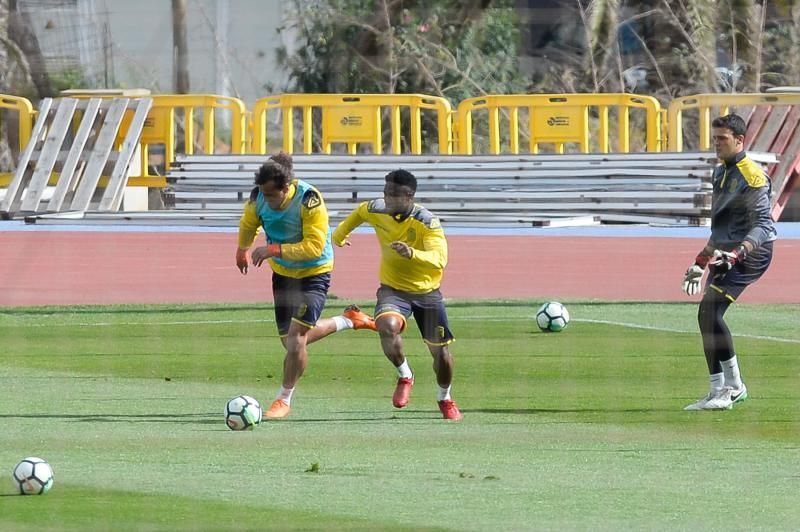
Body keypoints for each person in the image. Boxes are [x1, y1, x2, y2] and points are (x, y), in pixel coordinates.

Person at [236, 152, 377, 419]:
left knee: (296, 338)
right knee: (288, 342)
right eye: (263, 193)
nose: (266, 199)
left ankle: (283, 399)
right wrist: (242, 248)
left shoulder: (309, 200)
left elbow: (313, 247)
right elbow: (249, 223)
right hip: (283, 274)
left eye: (271, 194)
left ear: (286, 188)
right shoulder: (258, 198)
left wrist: (273, 249)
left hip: (315, 272)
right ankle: (348, 320)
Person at [332, 169, 463, 420]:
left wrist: (412, 253)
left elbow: (440, 259)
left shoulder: (427, 222)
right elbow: (360, 211)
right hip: (393, 289)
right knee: (386, 327)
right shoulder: (377, 209)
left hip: (427, 293)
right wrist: (339, 235)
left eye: (393, 195)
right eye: (385, 193)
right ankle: (405, 374)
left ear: (409, 196)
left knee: (442, 356)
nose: (387, 199)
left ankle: (445, 398)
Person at [681, 113, 777, 411]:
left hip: (752, 253)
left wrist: (736, 255)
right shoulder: (719, 172)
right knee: (705, 316)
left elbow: (764, 225)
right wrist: (701, 260)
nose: (717, 145)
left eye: (722, 139)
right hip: (725, 253)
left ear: (739, 140)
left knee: (710, 310)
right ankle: (717, 389)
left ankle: (734, 387)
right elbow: (721, 229)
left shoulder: (753, 176)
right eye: (715, 139)